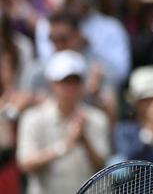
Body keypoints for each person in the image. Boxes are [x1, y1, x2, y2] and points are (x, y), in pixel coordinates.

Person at [16, 50, 110, 194]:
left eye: (75, 81)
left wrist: (84, 140)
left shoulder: (98, 119)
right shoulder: (33, 118)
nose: (70, 88)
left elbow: (102, 166)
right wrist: (63, 146)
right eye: (65, 82)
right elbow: (25, 164)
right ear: (52, 84)